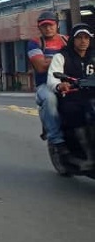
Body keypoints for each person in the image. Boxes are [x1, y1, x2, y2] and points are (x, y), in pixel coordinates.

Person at [47, 23, 95, 170]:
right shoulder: (61, 56)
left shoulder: (93, 56)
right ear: (72, 39)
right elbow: (52, 78)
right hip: (72, 96)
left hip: (92, 95)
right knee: (75, 113)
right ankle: (89, 155)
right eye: (79, 37)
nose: (83, 41)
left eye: (86, 37)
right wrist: (60, 85)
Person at [28, 10, 69, 155]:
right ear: (39, 28)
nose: (48, 28)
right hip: (45, 85)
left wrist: (48, 59)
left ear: (57, 25)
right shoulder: (35, 43)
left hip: (68, 82)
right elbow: (40, 66)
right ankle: (57, 141)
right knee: (50, 99)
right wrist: (62, 59)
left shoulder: (67, 40)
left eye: (51, 25)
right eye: (44, 26)